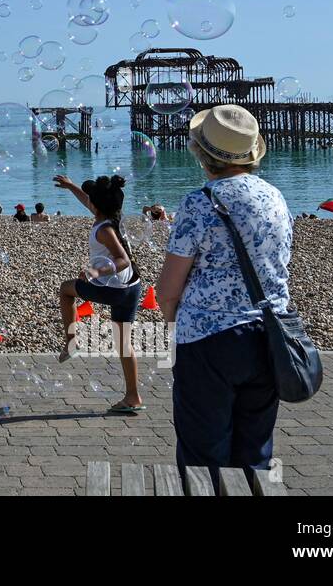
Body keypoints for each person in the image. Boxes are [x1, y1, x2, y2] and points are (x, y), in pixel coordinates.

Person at [155, 104, 293, 487]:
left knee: (203, 458)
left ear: (202, 152)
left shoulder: (199, 203)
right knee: (255, 454)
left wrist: (172, 322)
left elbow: (168, 290)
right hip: (269, 337)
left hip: (208, 342)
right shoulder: (276, 198)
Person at [54, 174, 144, 414]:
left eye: (90, 199)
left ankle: (72, 342)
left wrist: (95, 270)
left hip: (112, 289)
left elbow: (122, 260)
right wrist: (71, 185)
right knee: (124, 343)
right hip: (132, 286)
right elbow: (89, 201)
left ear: (97, 205)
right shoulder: (112, 217)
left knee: (65, 290)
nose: (88, 202)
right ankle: (133, 396)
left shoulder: (103, 229)